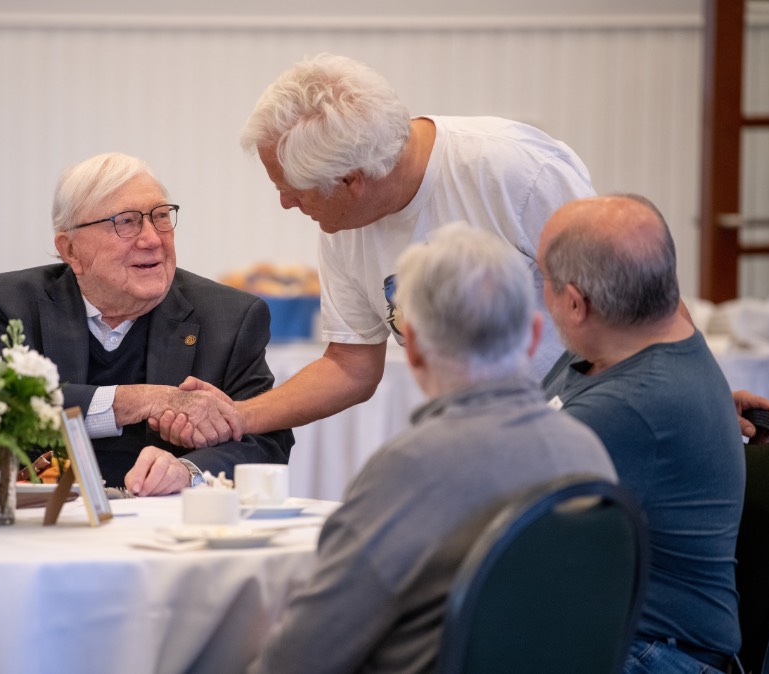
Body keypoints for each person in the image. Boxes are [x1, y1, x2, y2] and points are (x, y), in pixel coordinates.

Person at [156, 52, 597, 446]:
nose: (286, 203)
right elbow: (352, 365)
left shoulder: (515, 171)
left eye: (293, 191)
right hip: (477, 430)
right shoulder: (343, 219)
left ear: (352, 181)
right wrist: (238, 416)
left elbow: (612, 315)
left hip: (581, 423)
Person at [249, 222, 617, 673]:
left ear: (415, 348)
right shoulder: (587, 452)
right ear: (534, 335)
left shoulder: (409, 469)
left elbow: (302, 656)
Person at [0, 152, 293, 496]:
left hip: (169, 519)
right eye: (126, 222)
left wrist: (188, 471)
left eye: (161, 216)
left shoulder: (230, 316)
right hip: (51, 515)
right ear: (71, 250)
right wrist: (143, 401)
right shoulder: (11, 302)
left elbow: (266, 441)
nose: (152, 239)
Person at [539, 194, 744, 674]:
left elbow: (499, 520)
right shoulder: (632, 336)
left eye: (543, 278)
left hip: (655, 652)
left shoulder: (627, 405)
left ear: (575, 303)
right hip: (630, 629)